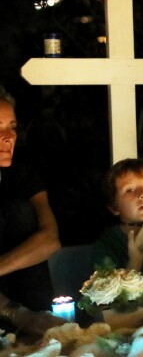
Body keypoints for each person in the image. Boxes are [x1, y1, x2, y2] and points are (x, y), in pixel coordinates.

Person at [0, 86, 65, 335]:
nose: (9, 137)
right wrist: (15, 313)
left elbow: (49, 239)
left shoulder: (23, 175)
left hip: (33, 307)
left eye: (13, 127)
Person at [93, 158, 143, 278]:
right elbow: (110, 294)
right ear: (114, 207)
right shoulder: (108, 244)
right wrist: (135, 261)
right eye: (130, 190)